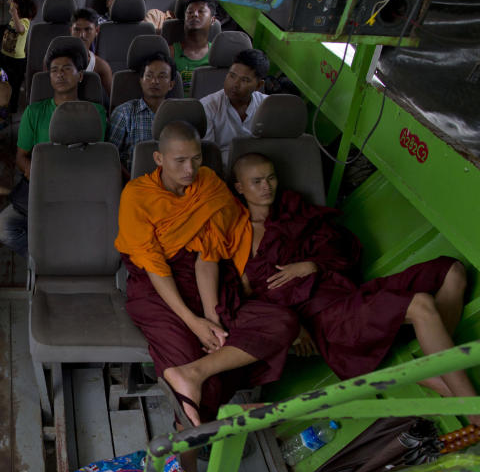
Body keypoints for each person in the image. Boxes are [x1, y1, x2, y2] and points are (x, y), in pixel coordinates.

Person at [232, 153, 480, 424]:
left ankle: (431, 365)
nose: (267, 186)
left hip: (350, 295)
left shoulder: (294, 211)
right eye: (256, 181)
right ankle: (473, 409)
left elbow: (343, 251)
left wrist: (312, 265)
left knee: (452, 271)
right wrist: (294, 327)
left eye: (271, 178)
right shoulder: (241, 236)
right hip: (327, 320)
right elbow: (249, 300)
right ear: (240, 187)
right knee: (420, 304)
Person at [115, 122, 299, 426]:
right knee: (206, 375)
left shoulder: (208, 184)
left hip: (209, 283)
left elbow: (208, 255)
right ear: (159, 159)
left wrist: (212, 317)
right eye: (181, 161)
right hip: (157, 292)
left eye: (197, 159)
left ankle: (192, 379)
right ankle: (188, 441)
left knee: (283, 322)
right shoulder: (137, 195)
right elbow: (154, 267)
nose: (191, 169)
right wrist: (193, 321)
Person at [0, 40, 107, 257]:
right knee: (1, 227)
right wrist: (34, 172)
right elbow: (21, 157)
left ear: (80, 75)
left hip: (80, 188)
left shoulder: (95, 112)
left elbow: (94, 156)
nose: (59, 75)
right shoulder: (34, 112)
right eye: (54, 70)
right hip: (42, 184)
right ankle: (47, 258)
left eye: (66, 69)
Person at [108, 50, 176, 175]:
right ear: (141, 80)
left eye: (162, 76)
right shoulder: (124, 113)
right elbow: (110, 156)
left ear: (171, 84)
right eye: (149, 76)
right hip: (135, 183)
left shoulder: (178, 114)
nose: (154, 81)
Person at [200, 48, 269, 166]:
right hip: (221, 170)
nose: (235, 84)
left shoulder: (267, 106)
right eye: (232, 76)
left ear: (258, 85)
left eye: (245, 80)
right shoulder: (208, 107)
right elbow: (208, 156)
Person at [0, 0, 38, 113]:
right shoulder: (16, 19)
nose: (12, 3)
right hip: (5, 55)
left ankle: (12, 107)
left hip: (17, 60)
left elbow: (20, 30)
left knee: (14, 86)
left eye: (14, 1)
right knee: (4, 82)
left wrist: (15, 14)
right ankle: (3, 102)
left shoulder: (25, 21)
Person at [173, 0, 217, 95]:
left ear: (212, 20)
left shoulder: (217, 54)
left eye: (201, 11)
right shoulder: (171, 52)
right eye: (190, 12)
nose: (194, 15)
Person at [70, 8, 113, 101]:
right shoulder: (55, 60)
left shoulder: (101, 66)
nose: (82, 35)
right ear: (71, 30)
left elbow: (114, 102)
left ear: (96, 31)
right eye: (77, 29)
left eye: (87, 29)